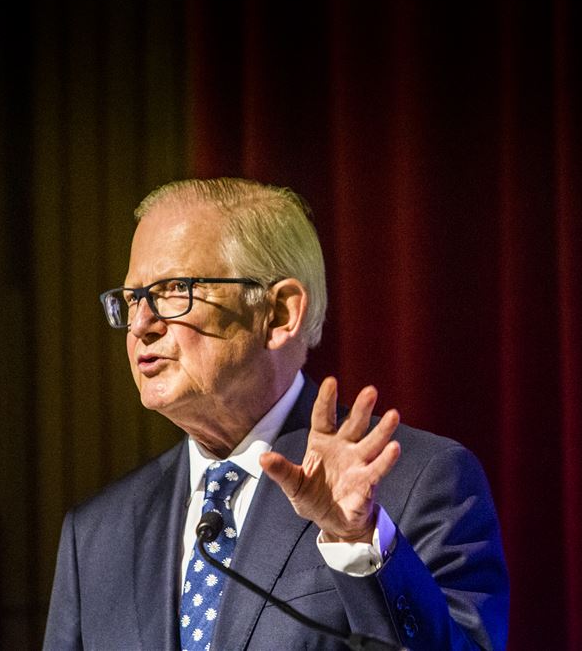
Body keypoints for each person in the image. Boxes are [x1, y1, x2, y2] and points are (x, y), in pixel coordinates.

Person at [43, 178, 508, 650]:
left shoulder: (416, 483)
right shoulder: (97, 534)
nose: (141, 324)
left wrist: (356, 541)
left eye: (175, 290)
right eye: (132, 299)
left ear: (280, 314)